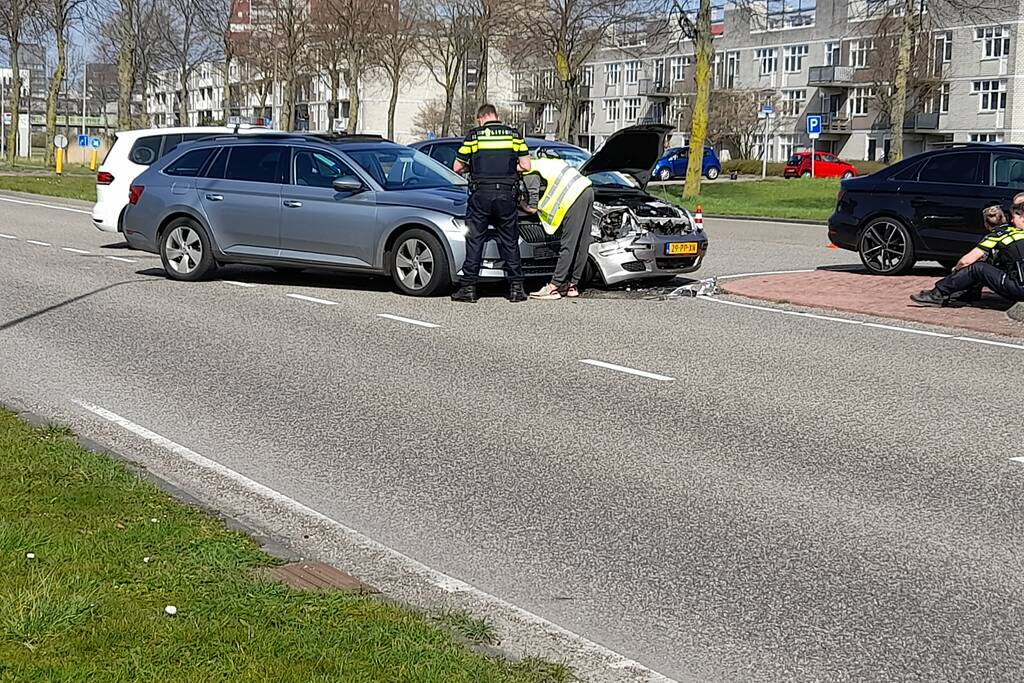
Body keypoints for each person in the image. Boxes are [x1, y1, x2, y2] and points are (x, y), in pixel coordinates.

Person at [450, 104, 531, 303]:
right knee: (510, 240)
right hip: (506, 194)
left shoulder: (474, 136)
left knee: (475, 239)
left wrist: (475, 167)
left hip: (481, 195)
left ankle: (468, 288)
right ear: (496, 116)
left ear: (481, 118)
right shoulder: (514, 135)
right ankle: (516, 288)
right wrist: (510, 171)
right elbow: (526, 166)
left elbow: (457, 167)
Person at [911, 202, 1024, 306]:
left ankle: (937, 294)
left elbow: (967, 261)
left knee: (977, 267)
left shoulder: (996, 236)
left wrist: (956, 271)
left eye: (1014, 217)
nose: (1013, 221)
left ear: (986, 224)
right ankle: (970, 293)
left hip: (1018, 288)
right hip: (1019, 283)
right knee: (991, 263)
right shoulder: (1020, 233)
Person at [520, 152, 595, 300]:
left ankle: (554, 286)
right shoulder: (543, 162)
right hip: (586, 188)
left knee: (569, 243)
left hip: (573, 197)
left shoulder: (530, 172)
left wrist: (522, 204)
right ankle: (572, 285)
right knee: (582, 241)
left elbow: (533, 207)